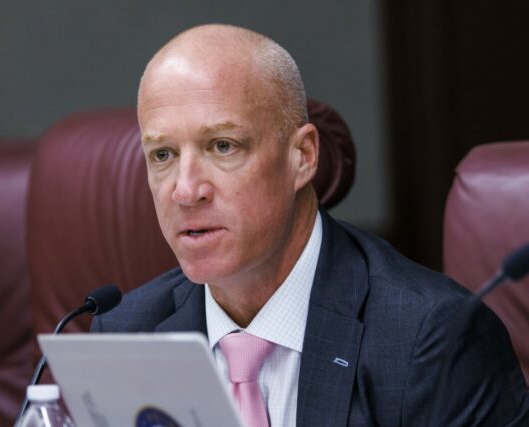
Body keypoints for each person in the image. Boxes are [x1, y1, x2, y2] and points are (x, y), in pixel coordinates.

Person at [91, 24, 529, 426]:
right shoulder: (125, 334)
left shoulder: (430, 340)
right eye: (163, 155)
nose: (186, 191)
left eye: (223, 146)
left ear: (302, 156)